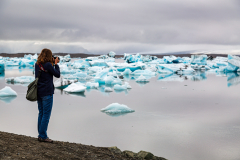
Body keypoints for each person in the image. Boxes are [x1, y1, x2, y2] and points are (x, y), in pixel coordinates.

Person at [35, 48, 60, 143]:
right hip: (47, 93)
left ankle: (40, 135)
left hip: (39, 92)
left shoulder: (37, 64)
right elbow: (57, 74)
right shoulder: (49, 65)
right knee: (46, 114)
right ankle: (43, 136)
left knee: (41, 113)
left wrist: (52, 64)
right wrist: (56, 64)